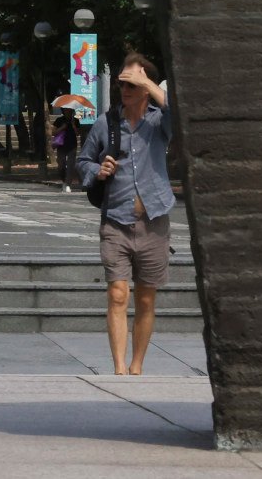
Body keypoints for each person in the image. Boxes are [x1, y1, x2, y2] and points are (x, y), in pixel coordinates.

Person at [76, 52, 172, 376]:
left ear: (146, 86)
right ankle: (118, 368)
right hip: (115, 220)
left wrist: (149, 82)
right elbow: (83, 161)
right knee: (118, 293)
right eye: (121, 83)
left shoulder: (159, 121)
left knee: (145, 299)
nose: (125, 89)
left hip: (154, 222)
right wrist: (97, 171)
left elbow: (183, 114)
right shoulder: (107, 123)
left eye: (132, 84)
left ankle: (136, 367)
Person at [52, 106, 82, 194]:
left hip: (72, 145)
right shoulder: (59, 120)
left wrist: (73, 125)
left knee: (70, 165)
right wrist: (62, 127)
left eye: (69, 110)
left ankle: (68, 184)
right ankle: (64, 181)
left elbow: (78, 133)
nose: (68, 111)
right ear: (63, 111)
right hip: (61, 145)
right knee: (61, 165)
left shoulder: (75, 121)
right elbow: (53, 132)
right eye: (66, 110)